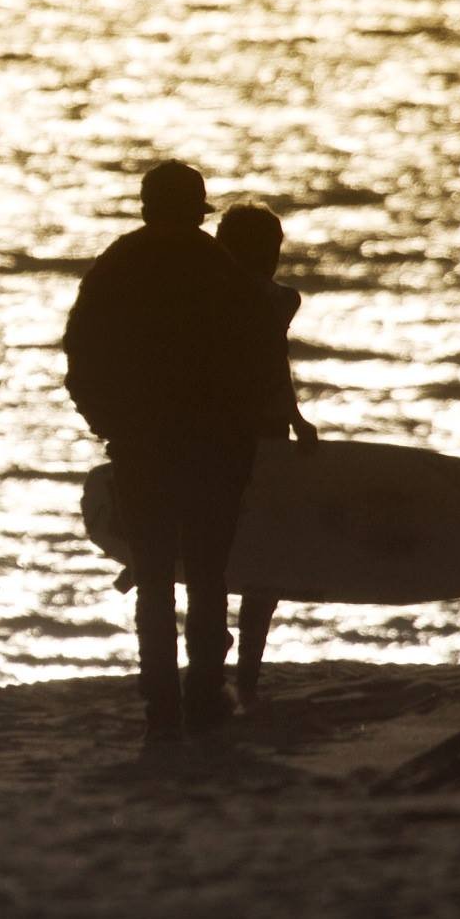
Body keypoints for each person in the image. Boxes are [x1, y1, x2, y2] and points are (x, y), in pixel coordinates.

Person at [64, 161, 272, 743]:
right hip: (212, 450)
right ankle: (203, 694)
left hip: (143, 447)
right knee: (207, 575)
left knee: (155, 578)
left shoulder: (116, 265)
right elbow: (255, 361)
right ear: (195, 211)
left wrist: (108, 424)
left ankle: (160, 699)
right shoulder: (221, 269)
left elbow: (80, 355)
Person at [215, 204, 318, 712]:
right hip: (241, 436)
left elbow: (275, 362)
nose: (273, 258)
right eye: (267, 249)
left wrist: (295, 417)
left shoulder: (209, 301)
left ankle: (233, 674)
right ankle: (242, 677)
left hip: (239, 435)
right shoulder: (276, 300)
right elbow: (272, 360)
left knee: (235, 553)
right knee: (256, 560)